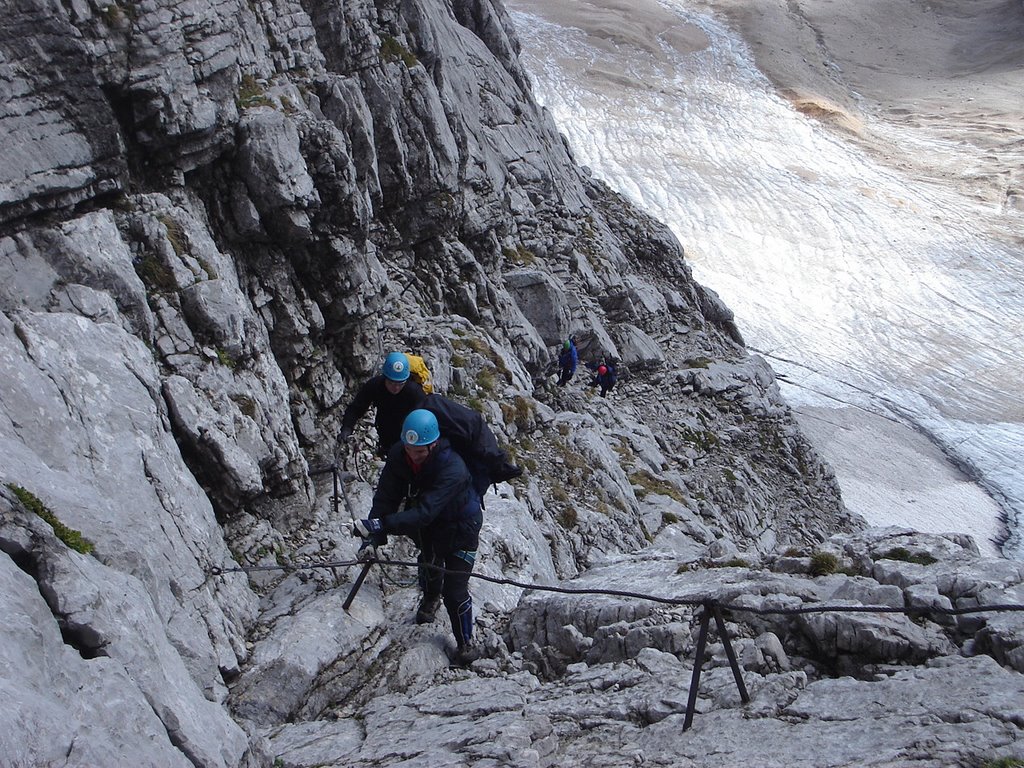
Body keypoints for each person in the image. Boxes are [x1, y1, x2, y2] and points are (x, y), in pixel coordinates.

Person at [354, 409, 483, 664]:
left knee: (455, 591)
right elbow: (386, 497)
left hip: (462, 528)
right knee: (429, 564)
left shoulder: (453, 468)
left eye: (421, 451)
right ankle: (430, 598)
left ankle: (466, 642)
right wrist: (372, 537)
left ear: (433, 444)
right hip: (431, 527)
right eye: (410, 449)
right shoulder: (399, 456)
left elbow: (425, 512)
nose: (414, 455)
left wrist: (380, 525)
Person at [339, 352, 426, 457]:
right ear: (385, 377)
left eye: (400, 384)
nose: (396, 388)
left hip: (408, 437)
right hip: (385, 433)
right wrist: (347, 427)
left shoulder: (415, 392)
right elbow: (357, 408)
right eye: (391, 383)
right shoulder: (375, 386)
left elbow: (424, 419)